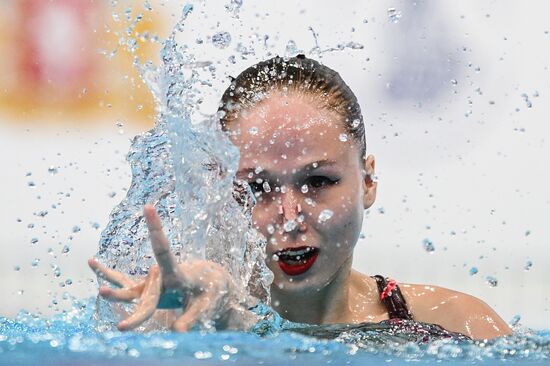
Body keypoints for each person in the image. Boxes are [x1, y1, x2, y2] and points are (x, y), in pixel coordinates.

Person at [89, 55, 512, 340]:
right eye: (257, 189)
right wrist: (223, 320)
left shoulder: (458, 326)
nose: (290, 216)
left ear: (367, 181)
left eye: (318, 182)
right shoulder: (177, 326)